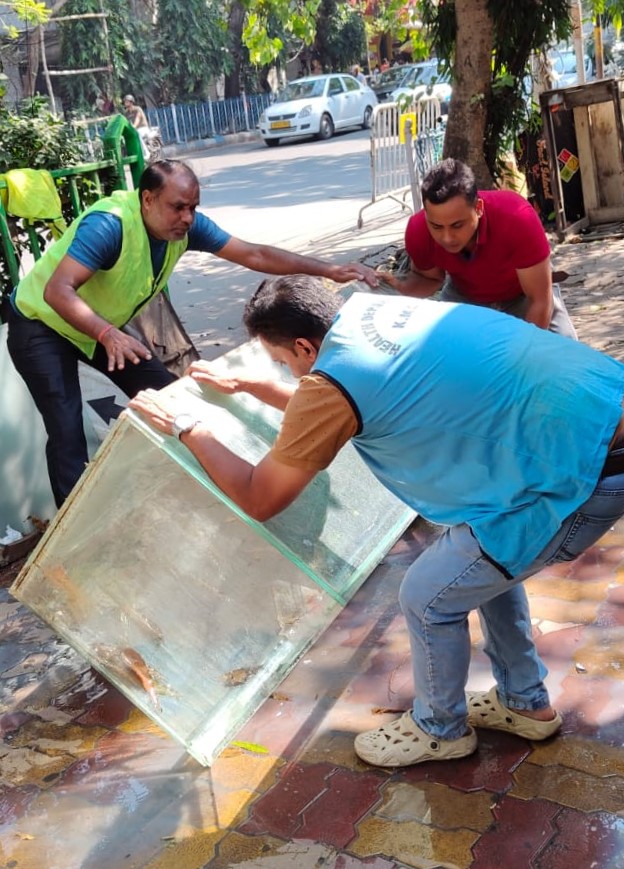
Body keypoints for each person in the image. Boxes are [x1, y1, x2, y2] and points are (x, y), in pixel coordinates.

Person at [130, 274, 624, 769]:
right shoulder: (372, 314)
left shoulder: (333, 385)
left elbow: (262, 496)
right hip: (597, 413)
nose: (289, 372)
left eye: (285, 362)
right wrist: (259, 386)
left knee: (429, 596)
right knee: (484, 564)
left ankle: (440, 730)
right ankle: (525, 702)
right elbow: (344, 405)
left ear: (305, 345)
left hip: (580, 473)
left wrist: (187, 427)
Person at [6, 161, 378, 509]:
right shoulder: (109, 225)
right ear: (148, 199)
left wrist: (329, 269)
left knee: (170, 393)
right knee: (67, 425)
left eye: (194, 208)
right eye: (178, 207)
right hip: (42, 324)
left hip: (98, 326)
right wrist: (107, 333)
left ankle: (189, 493)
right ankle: (72, 533)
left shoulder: (185, 227)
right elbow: (58, 290)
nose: (187, 218)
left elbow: (256, 255)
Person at [378, 158, 577, 337]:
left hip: (524, 294)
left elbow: (539, 301)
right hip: (464, 297)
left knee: (566, 361)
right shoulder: (418, 230)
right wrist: (397, 287)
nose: (447, 238)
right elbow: (430, 279)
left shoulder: (518, 218)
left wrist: (521, 356)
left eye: (457, 225)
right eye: (436, 226)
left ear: (479, 208)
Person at [123, 94, 151, 159]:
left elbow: (137, 120)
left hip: (143, 128)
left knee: (137, 134)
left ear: (131, 102)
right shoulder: (126, 113)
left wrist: (133, 127)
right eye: (125, 101)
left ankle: (146, 153)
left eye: (126, 101)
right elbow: (125, 122)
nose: (125, 103)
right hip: (134, 129)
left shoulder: (137, 109)